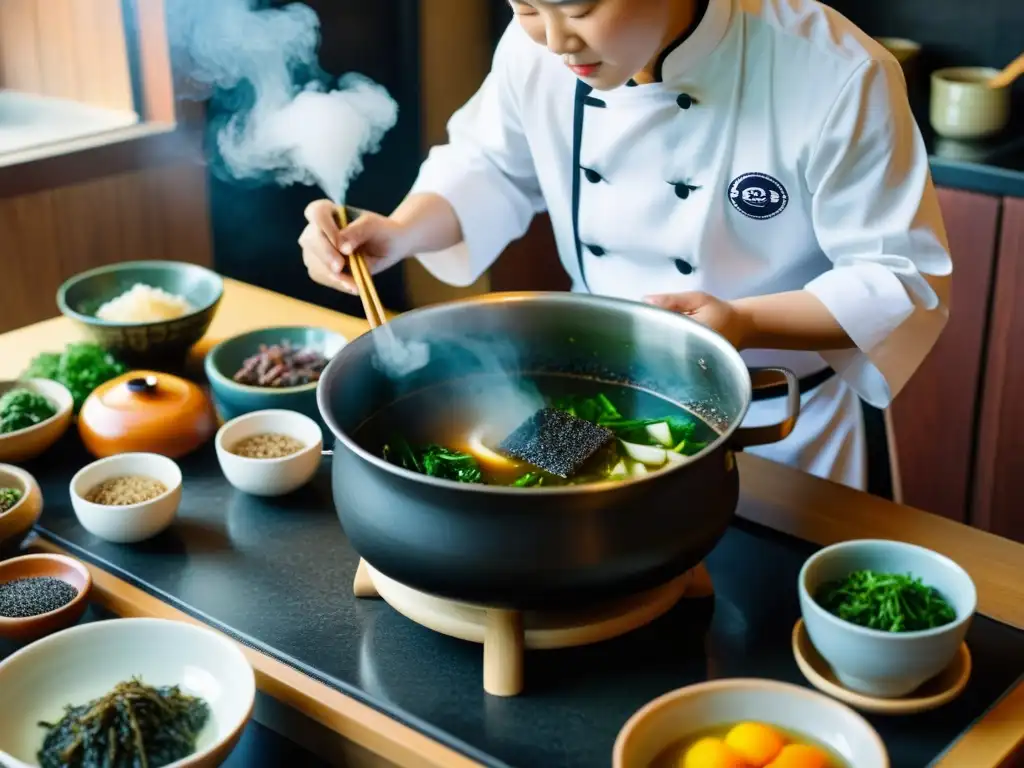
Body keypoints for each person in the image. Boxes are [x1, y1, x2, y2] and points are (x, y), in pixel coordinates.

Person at [298, 0, 952, 493]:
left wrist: (743, 323)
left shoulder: (834, 69)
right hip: (594, 402)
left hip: (785, 427)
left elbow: (900, 278)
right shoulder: (538, 53)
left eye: (580, 7)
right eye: (525, 6)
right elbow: (488, 167)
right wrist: (399, 231)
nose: (555, 40)